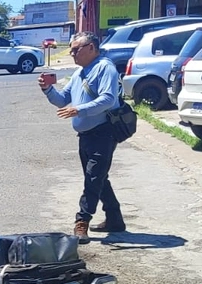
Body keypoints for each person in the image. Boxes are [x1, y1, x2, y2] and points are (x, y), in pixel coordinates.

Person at [39, 31, 125, 244]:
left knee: (93, 178)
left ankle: (82, 221)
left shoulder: (105, 67)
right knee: (99, 177)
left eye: (76, 49)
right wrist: (47, 89)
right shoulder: (79, 73)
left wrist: (79, 110)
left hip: (103, 132)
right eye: (71, 48)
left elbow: (107, 99)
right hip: (85, 135)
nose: (72, 52)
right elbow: (62, 100)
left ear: (92, 48)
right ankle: (115, 219)